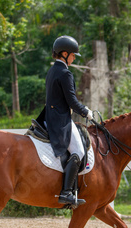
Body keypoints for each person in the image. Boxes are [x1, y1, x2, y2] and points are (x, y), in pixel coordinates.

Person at [45, 35, 94, 205]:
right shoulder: (65, 73)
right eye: (73, 55)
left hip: (48, 116)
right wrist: (86, 111)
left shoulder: (52, 70)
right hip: (60, 120)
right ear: (64, 54)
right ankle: (66, 192)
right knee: (79, 152)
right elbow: (71, 101)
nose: (74, 58)